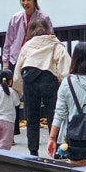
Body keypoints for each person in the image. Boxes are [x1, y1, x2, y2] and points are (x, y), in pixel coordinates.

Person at [13, 18, 70, 156]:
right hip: (49, 80)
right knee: (54, 115)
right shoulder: (55, 44)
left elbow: (17, 71)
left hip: (29, 82)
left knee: (31, 117)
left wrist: (17, 89)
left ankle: (33, 150)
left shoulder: (27, 46)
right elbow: (66, 68)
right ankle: (56, 149)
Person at [2, 0, 53, 70]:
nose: (25, 3)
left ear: (35, 1)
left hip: (35, 61)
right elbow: (8, 42)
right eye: (23, 0)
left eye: (29, 0)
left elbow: (50, 39)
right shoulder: (16, 18)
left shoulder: (44, 18)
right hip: (16, 59)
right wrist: (5, 63)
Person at [0, 68, 20, 150]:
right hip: (8, 120)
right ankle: (2, 156)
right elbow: (17, 103)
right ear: (10, 81)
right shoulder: (12, 92)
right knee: (5, 142)